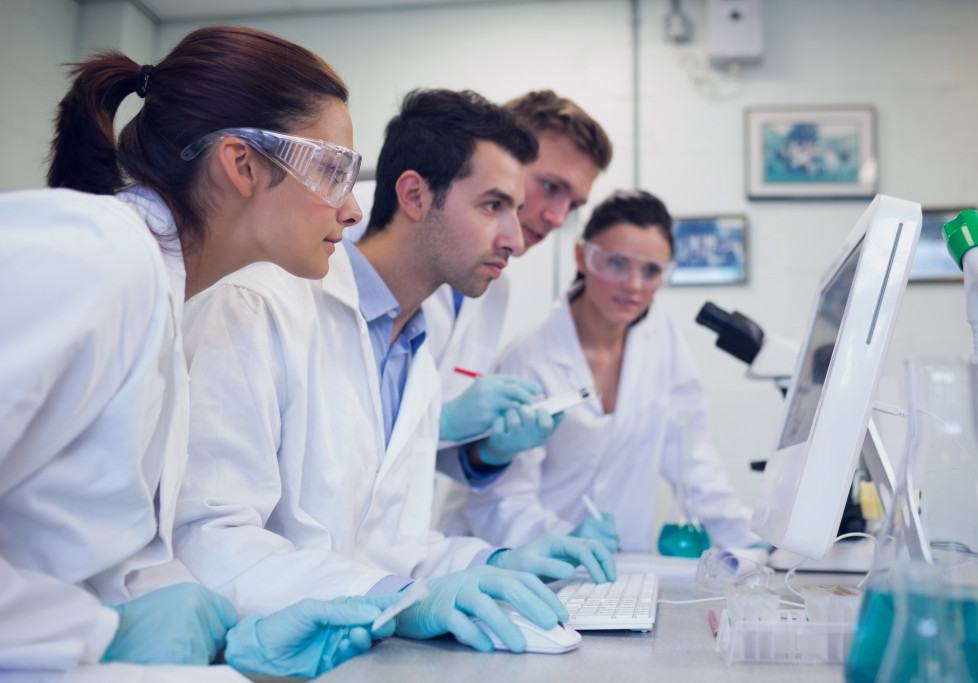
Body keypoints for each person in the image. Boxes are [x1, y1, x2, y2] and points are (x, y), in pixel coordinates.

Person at [0, 25, 402, 677]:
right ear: (242, 164)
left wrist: (226, 644)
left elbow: (76, 538)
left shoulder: (162, 295)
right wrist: (95, 630)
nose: (352, 209)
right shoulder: (99, 253)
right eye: (334, 170)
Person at [174, 88, 615, 656]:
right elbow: (210, 539)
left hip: (358, 649)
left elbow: (385, 544)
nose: (516, 235)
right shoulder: (256, 306)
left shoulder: (411, 343)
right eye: (492, 206)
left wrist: (494, 560)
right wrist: (399, 597)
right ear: (413, 194)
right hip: (264, 652)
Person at [456, 190, 761, 554]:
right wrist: (563, 541)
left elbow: (691, 458)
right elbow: (500, 500)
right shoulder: (529, 355)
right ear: (582, 257)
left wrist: (752, 543)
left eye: (651, 271)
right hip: (532, 563)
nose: (634, 285)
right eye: (617, 263)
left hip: (624, 567)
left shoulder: (661, 338)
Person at [427, 90, 614, 529]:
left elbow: (426, 457)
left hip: (398, 546)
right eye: (551, 187)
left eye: (573, 204)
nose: (556, 216)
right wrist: (442, 420)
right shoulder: (348, 241)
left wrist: (487, 452)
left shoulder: (492, 287)